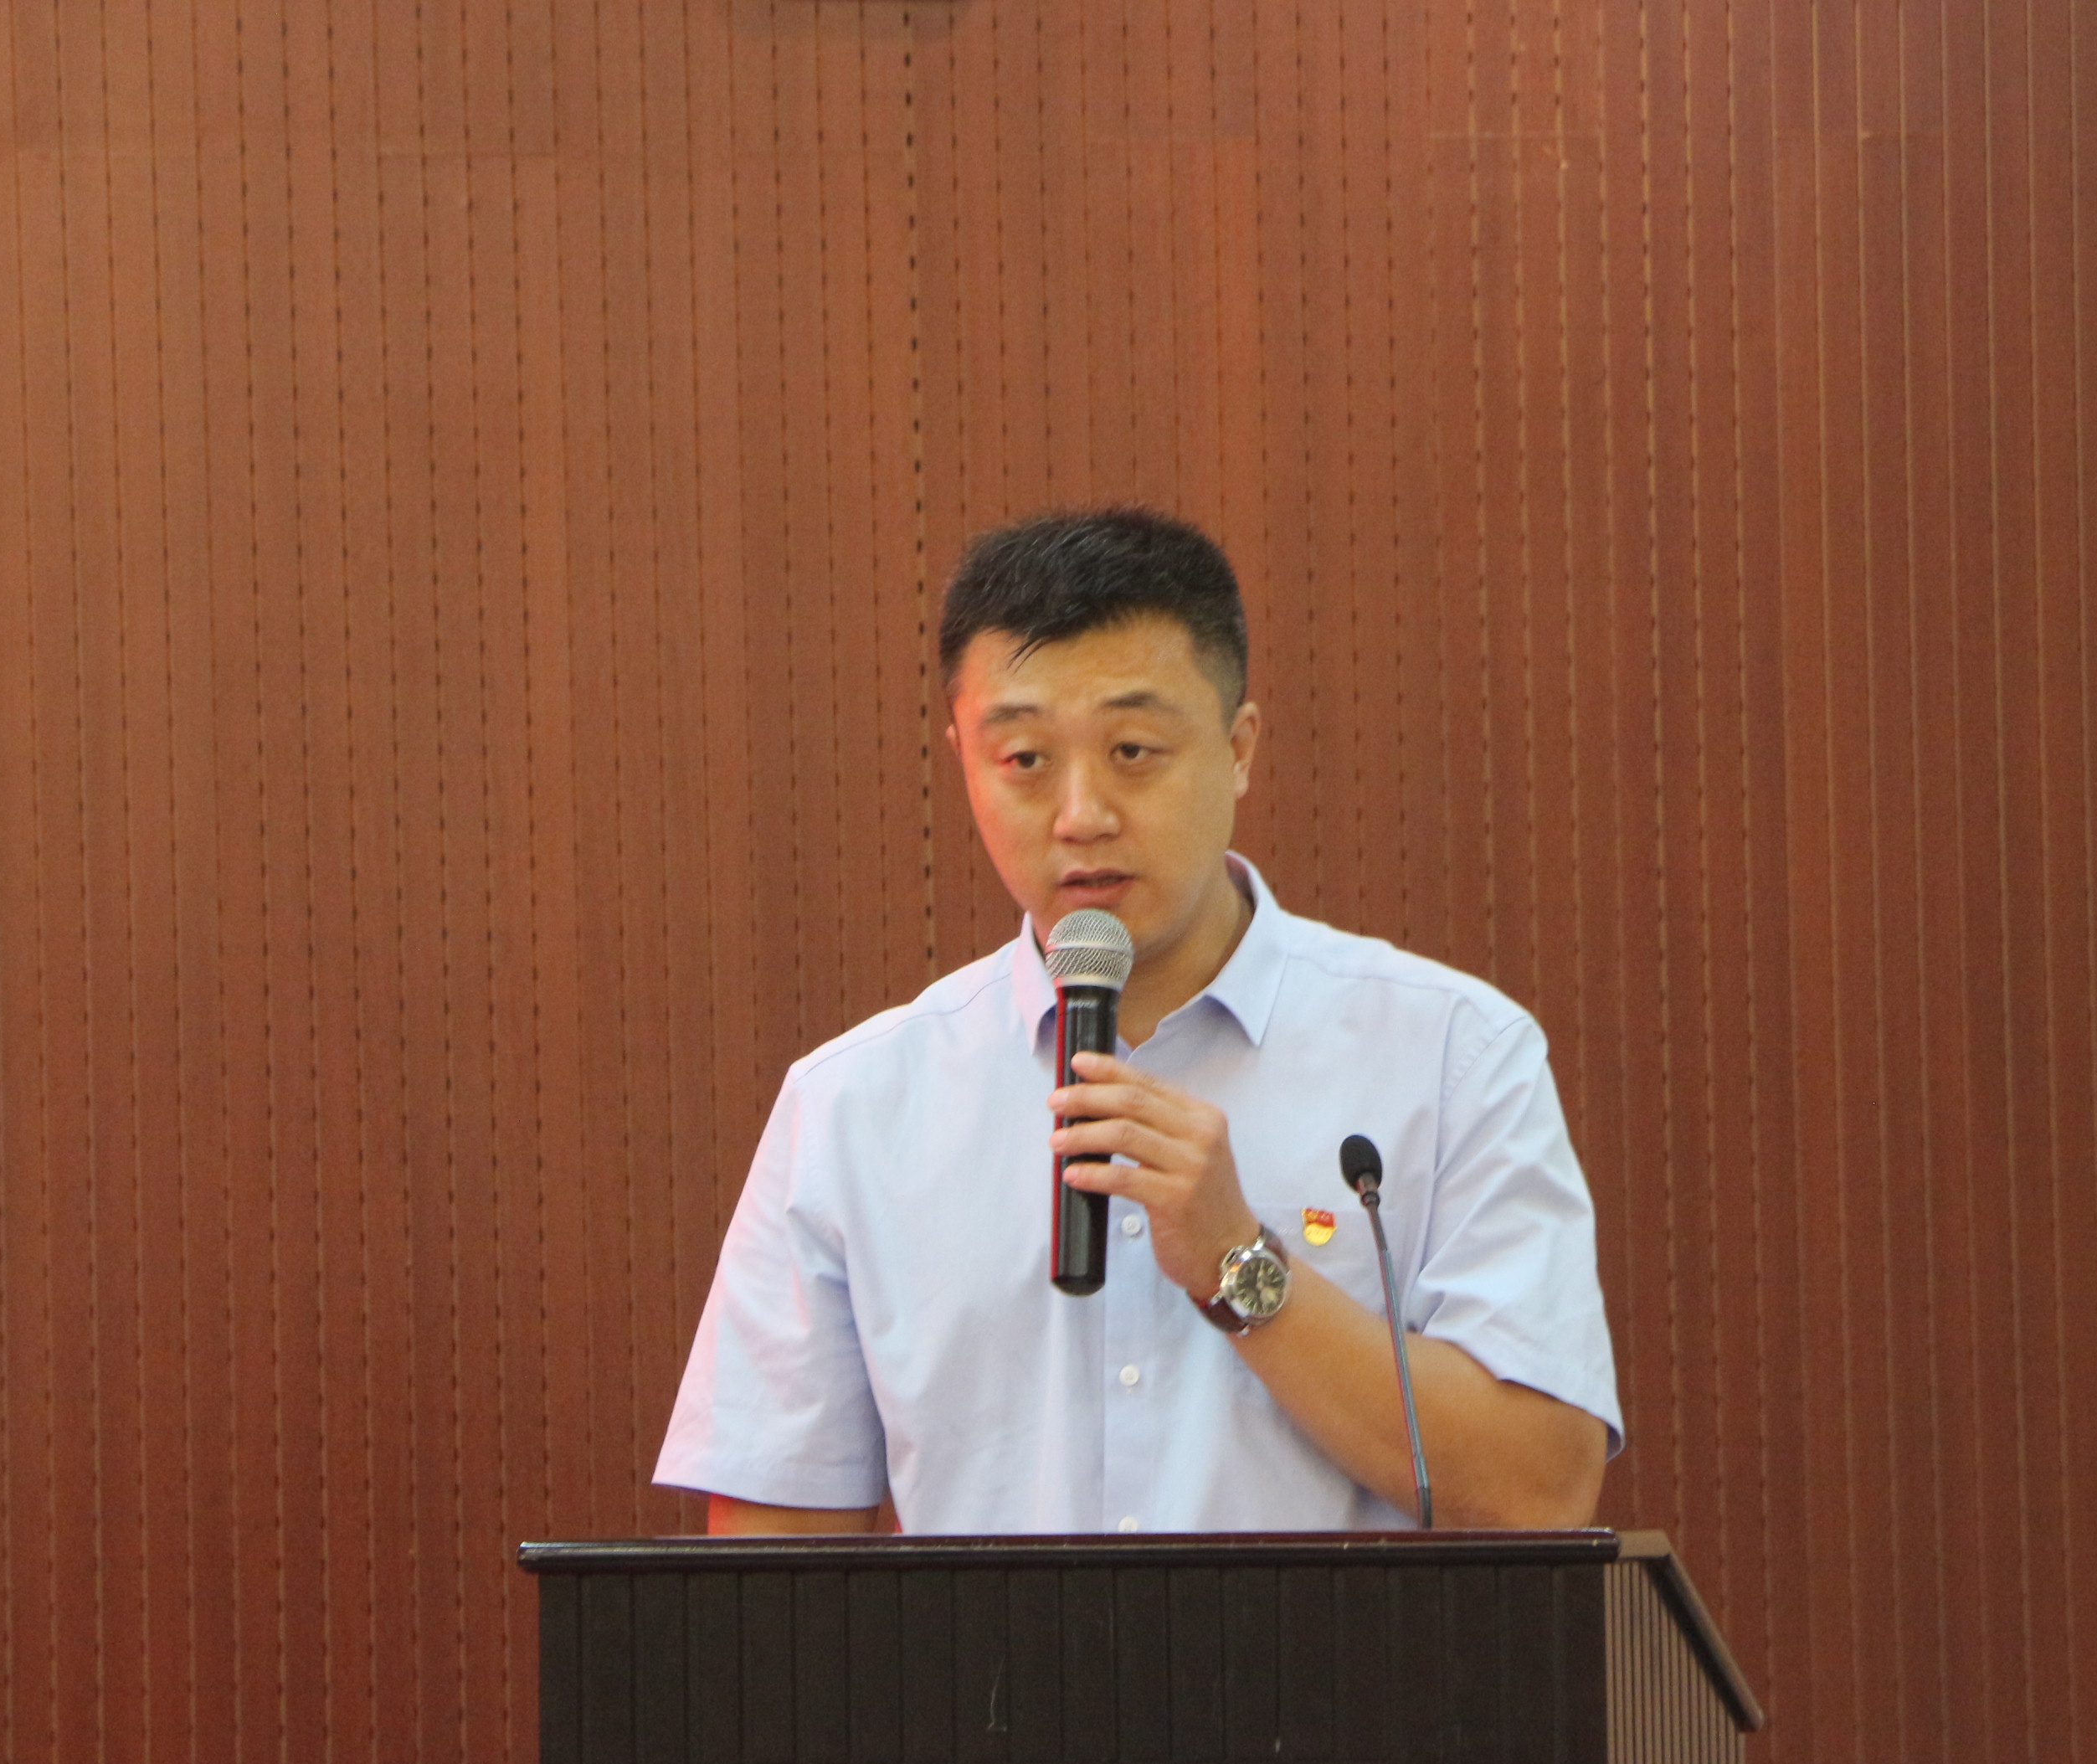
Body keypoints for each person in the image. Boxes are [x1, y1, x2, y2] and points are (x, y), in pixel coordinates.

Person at [655, 508, 1620, 1534]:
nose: (1082, 815)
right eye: (1024, 759)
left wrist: (1242, 1267)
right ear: (963, 760)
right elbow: (771, 1571)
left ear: (1239, 749)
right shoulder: (853, 1106)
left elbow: (1541, 1492)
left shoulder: (1451, 1054)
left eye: (1133, 749)